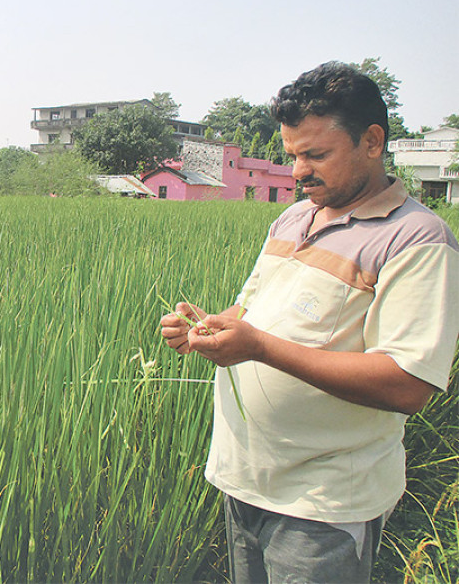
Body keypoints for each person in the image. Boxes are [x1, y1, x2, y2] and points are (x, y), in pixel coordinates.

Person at [160, 61, 459, 583]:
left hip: (323, 503)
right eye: (293, 155)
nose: (298, 171)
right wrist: (206, 327)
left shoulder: (416, 239)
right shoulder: (294, 217)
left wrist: (258, 348)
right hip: (244, 479)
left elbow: (408, 384)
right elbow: (250, 309)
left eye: (316, 154)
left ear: (371, 141)